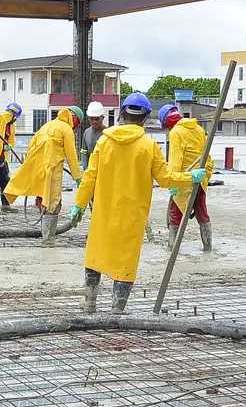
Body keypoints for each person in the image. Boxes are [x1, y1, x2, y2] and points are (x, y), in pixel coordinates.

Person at [71, 93, 206, 314]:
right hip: (132, 217)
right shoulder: (148, 146)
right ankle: (117, 310)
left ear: (122, 114)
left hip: (103, 213)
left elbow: (89, 177)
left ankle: (89, 304)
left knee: (96, 255)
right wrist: (190, 177)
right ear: (144, 118)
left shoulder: (104, 141)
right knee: (125, 263)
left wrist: (79, 205)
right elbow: (166, 178)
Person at [5, 106, 84, 245]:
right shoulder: (66, 129)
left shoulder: (47, 125)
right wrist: (78, 179)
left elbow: (31, 147)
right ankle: (48, 240)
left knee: (43, 200)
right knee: (53, 203)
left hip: (38, 171)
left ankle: (46, 236)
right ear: (75, 119)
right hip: (52, 171)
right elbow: (72, 157)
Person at [161, 103, 215, 252]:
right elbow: (208, 159)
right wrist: (204, 177)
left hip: (183, 182)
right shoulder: (198, 129)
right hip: (200, 180)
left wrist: (172, 182)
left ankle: (172, 252)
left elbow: (174, 162)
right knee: (202, 213)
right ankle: (208, 249)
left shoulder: (176, 133)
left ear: (167, 123)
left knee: (175, 215)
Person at [80, 101, 106, 170]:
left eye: (97, 119)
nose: (94, 121)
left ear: (102, 118)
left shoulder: (108, 134)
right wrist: (85, 167)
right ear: (88, 118)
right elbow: (84, 151)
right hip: (90, 171)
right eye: (92, 118)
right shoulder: (86, 133)